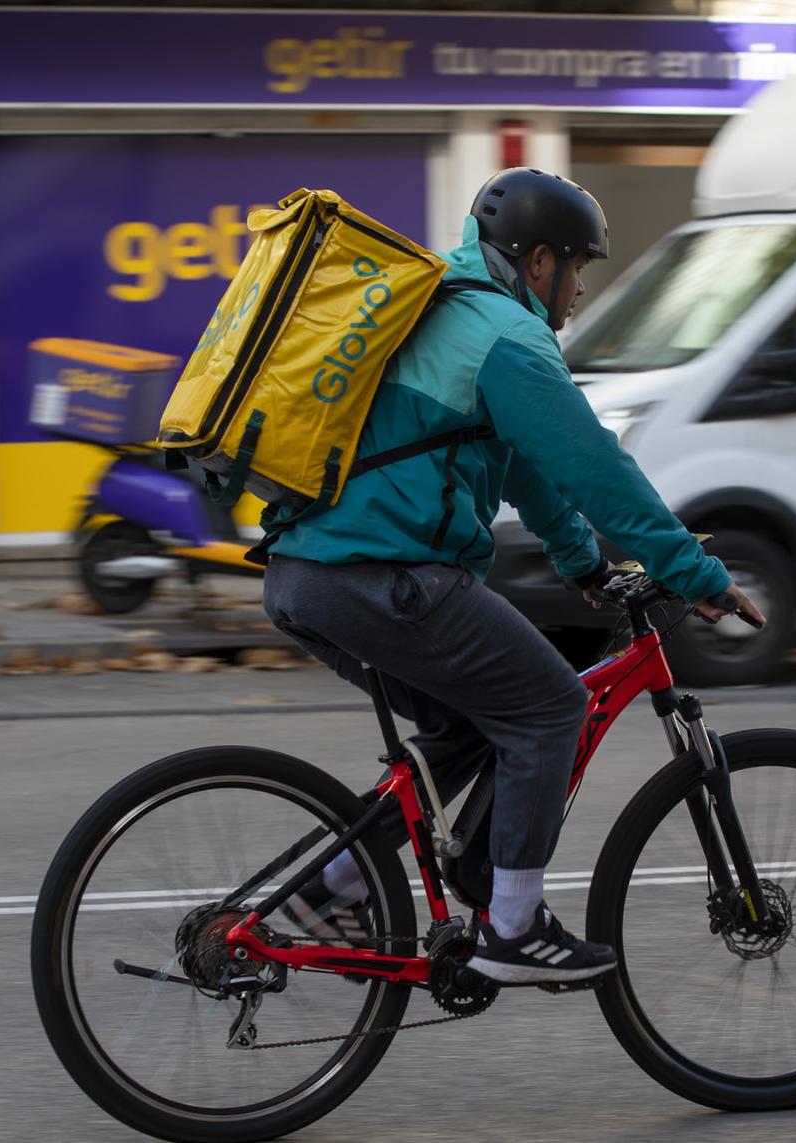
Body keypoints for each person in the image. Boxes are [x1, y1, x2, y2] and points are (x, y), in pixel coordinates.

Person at [264, 167, 765, 985]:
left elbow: (528, 470)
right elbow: (595, 466)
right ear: (539, 261)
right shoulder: (506, 334)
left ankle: (332, 890)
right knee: (551, 707)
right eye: (579, 269)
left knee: (467, 725)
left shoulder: (452, 313)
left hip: (309, 574)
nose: (576, 292)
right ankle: (513, 925)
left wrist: (585, 564)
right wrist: (692, 569)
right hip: (383, 574)